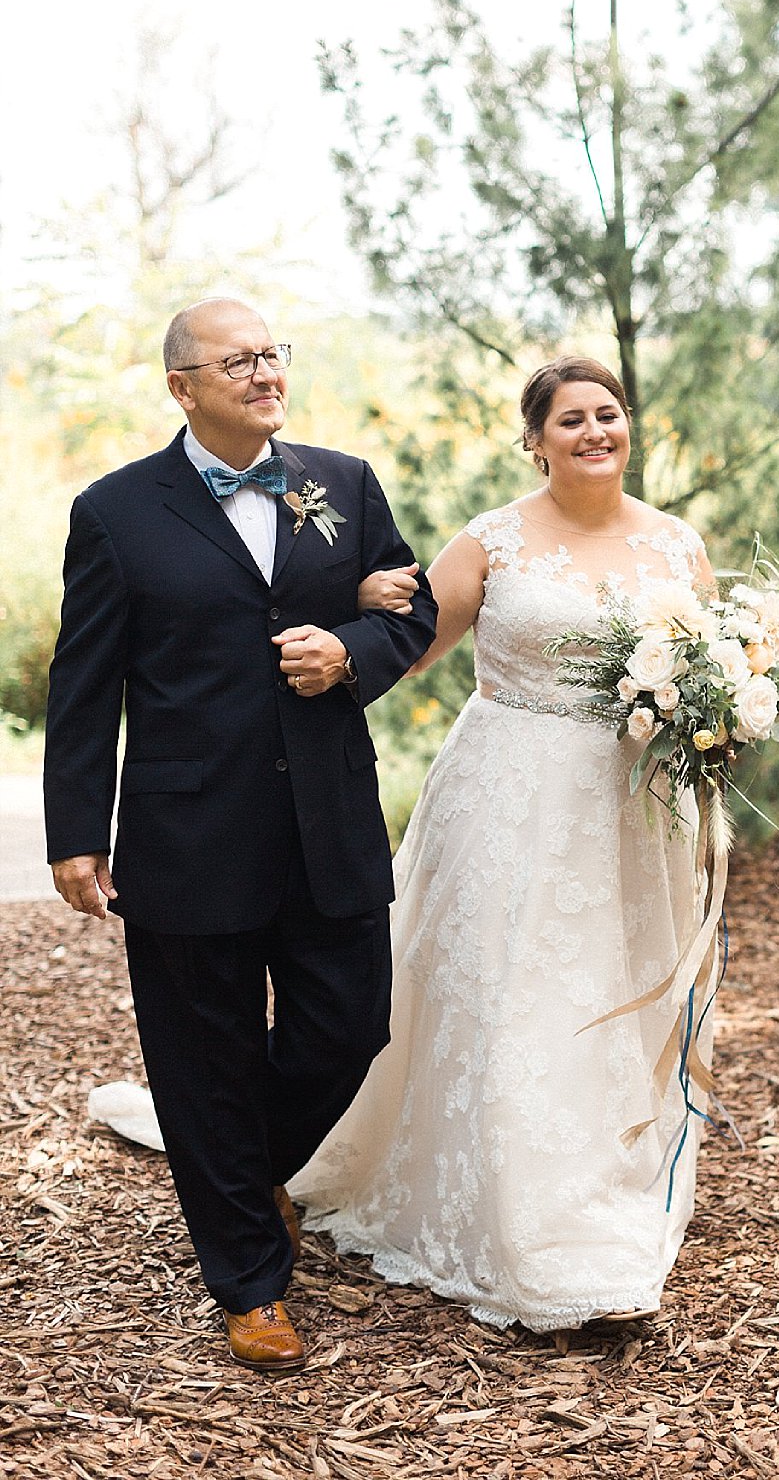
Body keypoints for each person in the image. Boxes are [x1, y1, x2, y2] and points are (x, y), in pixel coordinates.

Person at [42, 298, 439, 1372]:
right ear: (184, 387)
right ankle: (250, 1280)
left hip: (327, 821)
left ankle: (239, 1168)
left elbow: (413, 609)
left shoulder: (343, 484)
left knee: (350, 1023)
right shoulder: (117, 512)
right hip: (189, 830)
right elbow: (84, 681)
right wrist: (76, 829)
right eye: (240, 361)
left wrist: (352, 649)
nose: (266, 374)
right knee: (202, 1051)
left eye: (273, 355)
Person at [287, 355, 720, 1331]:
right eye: (569, 419)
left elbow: (707, 672)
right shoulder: (492, 542)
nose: (593, 431)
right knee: (512, 994)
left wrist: (722, 720)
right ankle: (520, 1214)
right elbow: (403, 644)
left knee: (616, 989)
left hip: (637, 810)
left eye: (606, 413)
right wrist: (332, 644)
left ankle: (608, 1175)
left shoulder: (676, 545)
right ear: (535, 440)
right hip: (508, 799)